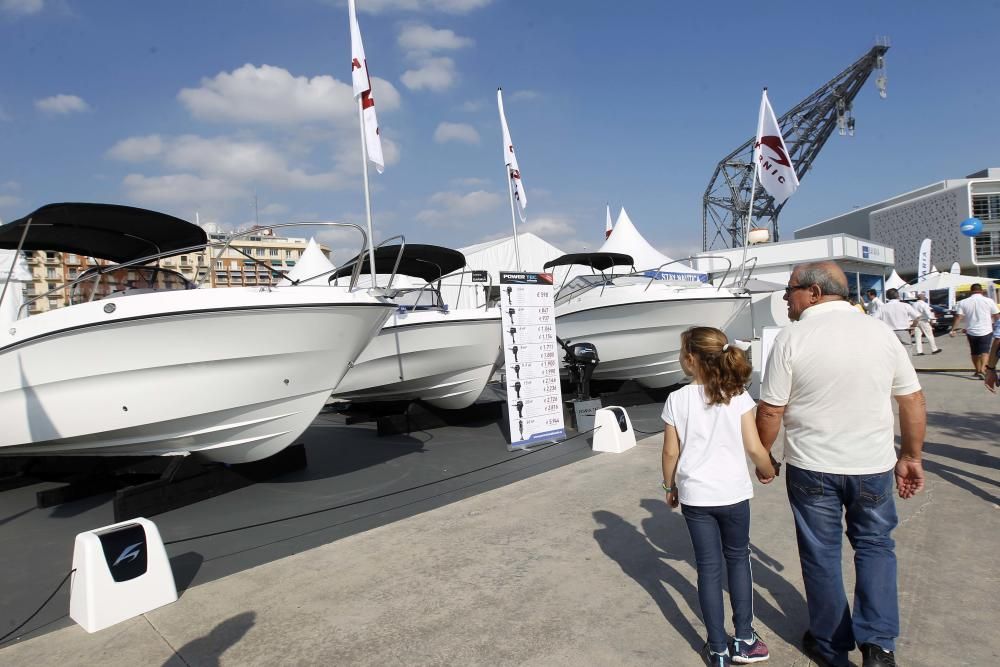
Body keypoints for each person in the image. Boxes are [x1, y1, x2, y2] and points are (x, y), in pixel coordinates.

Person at [755, 261, 926, 667]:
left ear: (814, 293)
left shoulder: (792, 338)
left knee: (821, 555)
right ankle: (879, 646)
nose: (785, 298)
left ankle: (831, 647)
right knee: (876, 547)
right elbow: (912, 400)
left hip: (813, 466)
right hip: (872, 465)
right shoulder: (880, 332)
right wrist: (912, 456)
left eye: (790, 289)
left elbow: (770, 411)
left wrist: (764, 458)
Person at [661, 327, 776, 666]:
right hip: (734, 494)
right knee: (739, 560)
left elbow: (670, 453)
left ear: (691, 359)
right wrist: (767, 470)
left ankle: (717, 649)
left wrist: (670, 488)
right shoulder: (738, 395)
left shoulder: (676, 399)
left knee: (708, 569)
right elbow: (754, 447)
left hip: (696, 498)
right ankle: (744, 639)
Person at [949, 283, 1000, 379]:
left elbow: (959, 317)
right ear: (981, 291)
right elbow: (997, 315)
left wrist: (953, 329)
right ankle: (983, 370)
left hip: (971, 331)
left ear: (971, 291)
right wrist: (996, 325)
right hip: (986, 330)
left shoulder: (963, 302)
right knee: (985, 352)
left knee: (974, 352)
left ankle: (977, 370)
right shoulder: (989, 301)